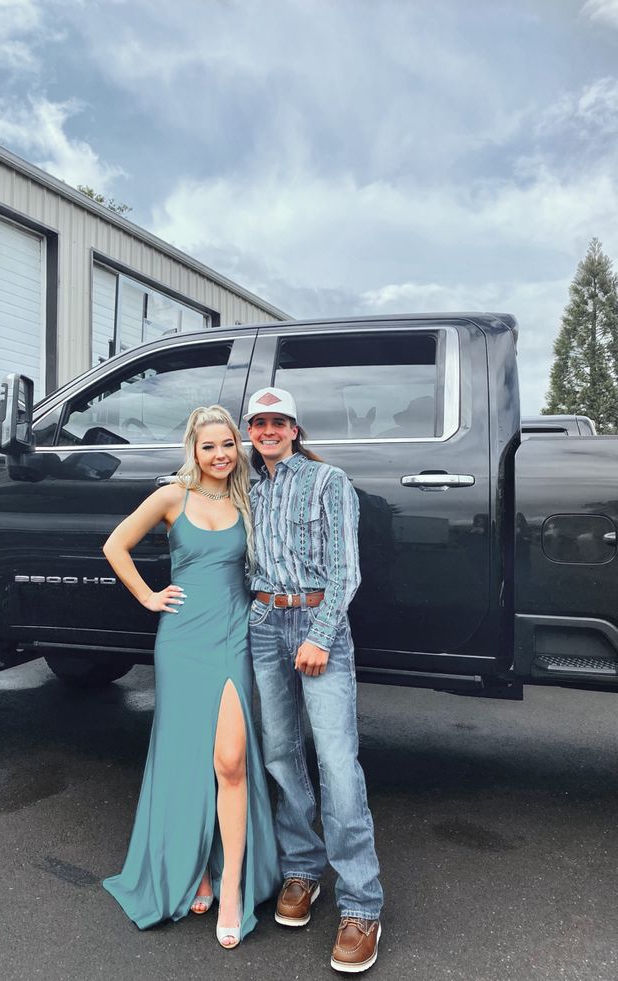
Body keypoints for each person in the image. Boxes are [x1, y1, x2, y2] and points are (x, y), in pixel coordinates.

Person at [102, 405, 279, 949]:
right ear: (193, 450)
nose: (221, 455)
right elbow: (115, 546)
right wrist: (148, 596)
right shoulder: (171, 496)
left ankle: (230, 889)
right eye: (209, 447)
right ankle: (195, 869)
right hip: (180, 642)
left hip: (231, 638)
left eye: (228, 444)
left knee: (229, 761)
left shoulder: (248, 498)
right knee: (185, 762)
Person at [244, 387, 384, 974]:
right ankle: (302, 870)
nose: (269, 431)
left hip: (315, 621)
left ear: (295, 430)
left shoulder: (329, 483)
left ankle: (362, 906)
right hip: (263, 621)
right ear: (251, 431)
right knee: (279, 753)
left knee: (335, 760)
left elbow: (346, 568)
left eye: (280, 422)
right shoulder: (250, 490)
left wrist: (320, 635)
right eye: (260, 423)